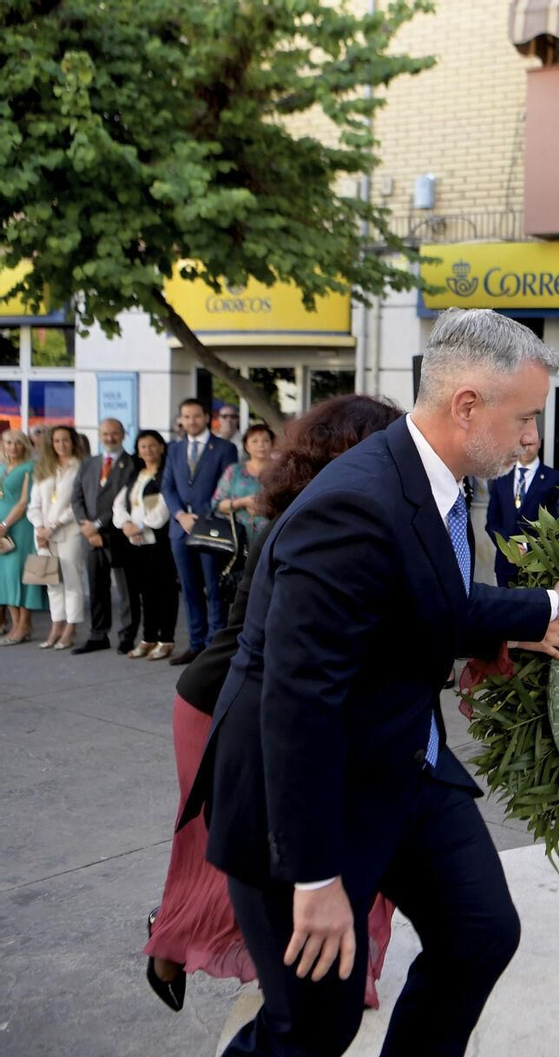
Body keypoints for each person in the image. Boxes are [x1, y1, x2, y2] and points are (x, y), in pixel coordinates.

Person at [183, 309, 559, 1057]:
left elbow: (435, 599)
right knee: (313, 1029)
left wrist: (540, 609)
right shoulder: (354, 505)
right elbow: (299, 701)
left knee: (479, 934)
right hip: (303, 796)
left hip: (401, 760)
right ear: (467, 405)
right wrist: (315, 875)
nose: (531, 438)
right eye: (525, 418)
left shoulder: (436, 481)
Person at [145, 397, 406, 1015]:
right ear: (350, 454)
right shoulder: (316, 523)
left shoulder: (340, 514)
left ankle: (306, 978)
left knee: (273, 852)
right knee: (237, 856)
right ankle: (178, 945)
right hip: (223, 709)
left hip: (255, 704)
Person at [161, 397, 239, 665]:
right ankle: (196, 644)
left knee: (214, 589)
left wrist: (203, 517)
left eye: (196, 416)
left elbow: (227, 487)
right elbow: (167, 486)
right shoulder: (174, 448)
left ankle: (214, 647)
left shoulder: (225, 448)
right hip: (180, 528)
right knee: (190, 589)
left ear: (206, 417)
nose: (191, 421)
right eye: (186, 416)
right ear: (180, 419)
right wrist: (180, 515)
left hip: (212, 527)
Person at [70, 418, 141, 654]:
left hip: (119, 536)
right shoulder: (88, 463)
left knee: (127, 590)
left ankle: (127, 636)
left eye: (114, 433)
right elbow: (76, 498)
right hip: (90, 537)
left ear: (123, 434)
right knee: (97, 588)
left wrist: (98, 526)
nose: (110, 438)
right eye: (105, 434)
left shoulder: (133, 464)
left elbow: (127, 501)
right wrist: (86, 527)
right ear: (99, 436)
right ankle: (98, 635)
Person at [113, 431, 180, 660]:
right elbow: (119, 503)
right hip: (134, 542)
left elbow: (164, 507)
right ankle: (148, 637)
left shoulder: (167, 473)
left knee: (164, 591)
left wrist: (140, 526)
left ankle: (166, 639)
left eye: (152, 445)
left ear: (161, 447)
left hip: (159, 542)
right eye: (143, 446)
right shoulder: (137, 474)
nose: (148, 450)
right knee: (145, 593)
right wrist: (126, 524)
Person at [26, 425, 89, 650]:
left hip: (69, 532)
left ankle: (70, 628)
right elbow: (33, 504)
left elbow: (77, 504)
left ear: (73, 442)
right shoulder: (43, 468)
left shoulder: (81, 467)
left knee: (72, 581)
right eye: (56, 441)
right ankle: (56, 625)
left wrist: (52, 527)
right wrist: (40, 527)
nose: (61, 445)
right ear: (51, 444)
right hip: (43, 535)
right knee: (51, 582)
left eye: (65, 440)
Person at [485, 438, 559, 587]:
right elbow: (492, 521)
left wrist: (528, 547)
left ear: (539, 443)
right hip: (505, 564)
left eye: (530, 444)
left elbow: (553, 522)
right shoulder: (501, 477)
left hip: (538, 564)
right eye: (522, 444)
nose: (525, 448)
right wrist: (508, 546)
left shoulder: (554, 478)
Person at [0, 429, 47, 644]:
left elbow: (24, 501)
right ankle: (16, 624)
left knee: (21, 572)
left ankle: (25, 623)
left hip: (20, 526)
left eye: (17, 443)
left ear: (25, 445)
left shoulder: (31, 467)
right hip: (2, 526)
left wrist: (5, 524)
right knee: (5, 576)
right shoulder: (2, 467)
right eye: (9, 443)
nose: (13, 447)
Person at [212, 423, 275, 544]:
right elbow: (217, 505)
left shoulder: (283, 471)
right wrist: (243, 502)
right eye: (255, 441)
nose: (261, 445)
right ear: (247, 446)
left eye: (266, 440)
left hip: (273, 536)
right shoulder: (234, 471)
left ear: (272, 444)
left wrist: (266, 508)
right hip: (238, 538)